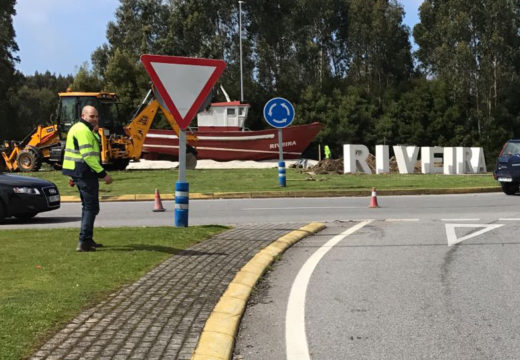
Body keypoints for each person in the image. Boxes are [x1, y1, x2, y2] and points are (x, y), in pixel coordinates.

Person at [62, 105, 113, 252]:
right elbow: (88, 156)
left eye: (96, 116)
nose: (95, 119)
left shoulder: (81, 128)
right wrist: (104, 174)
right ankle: (84, 241)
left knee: (88, 207)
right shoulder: (83, 130)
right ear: (83, 116)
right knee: (91, 207)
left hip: (80, 172)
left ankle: (87, 239)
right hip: (85, 173)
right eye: (92, 116)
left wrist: (95, 132)